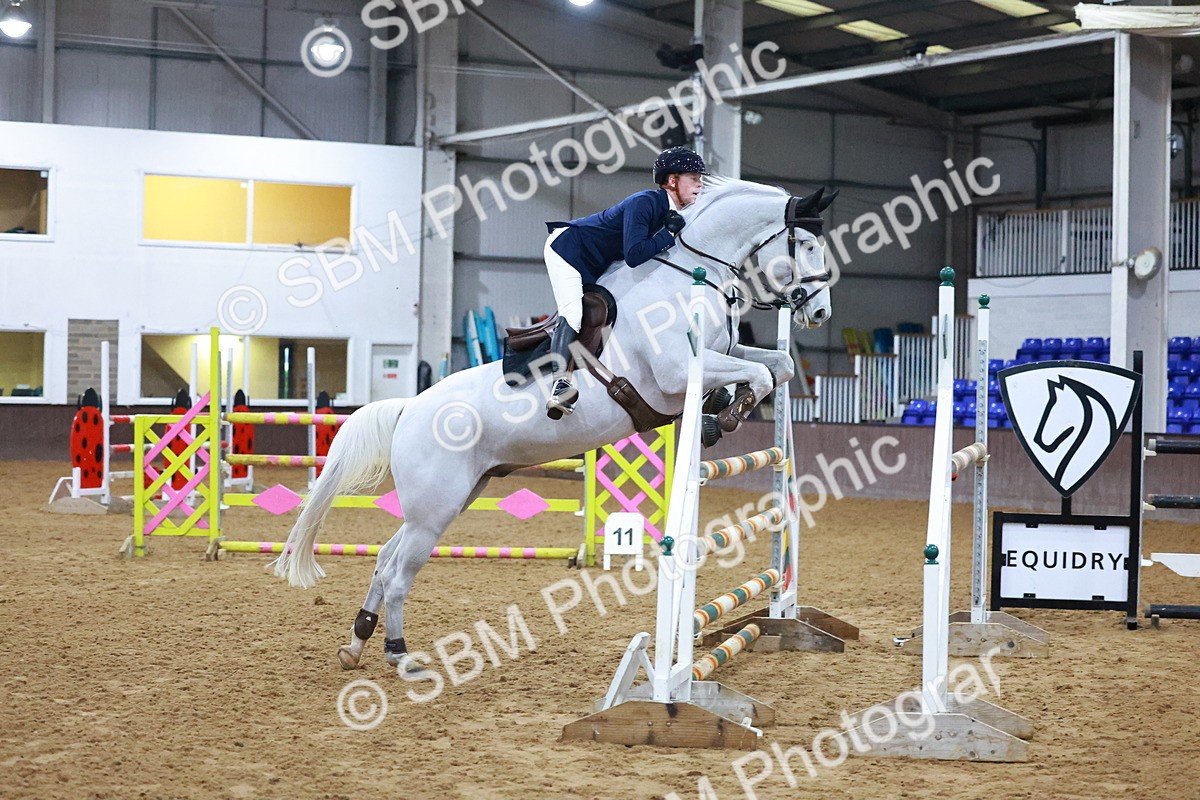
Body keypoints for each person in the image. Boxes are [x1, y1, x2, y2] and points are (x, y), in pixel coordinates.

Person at [541, 146, 706, 418]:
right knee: (574, 311)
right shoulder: (646, 202)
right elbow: (634, 255)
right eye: (694, 177)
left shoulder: (675, 214)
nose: (700, 184)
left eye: (701, 178)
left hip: (600, 260)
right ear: (672, 181)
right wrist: (668, 233)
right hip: (568, 249)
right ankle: (561, 383)